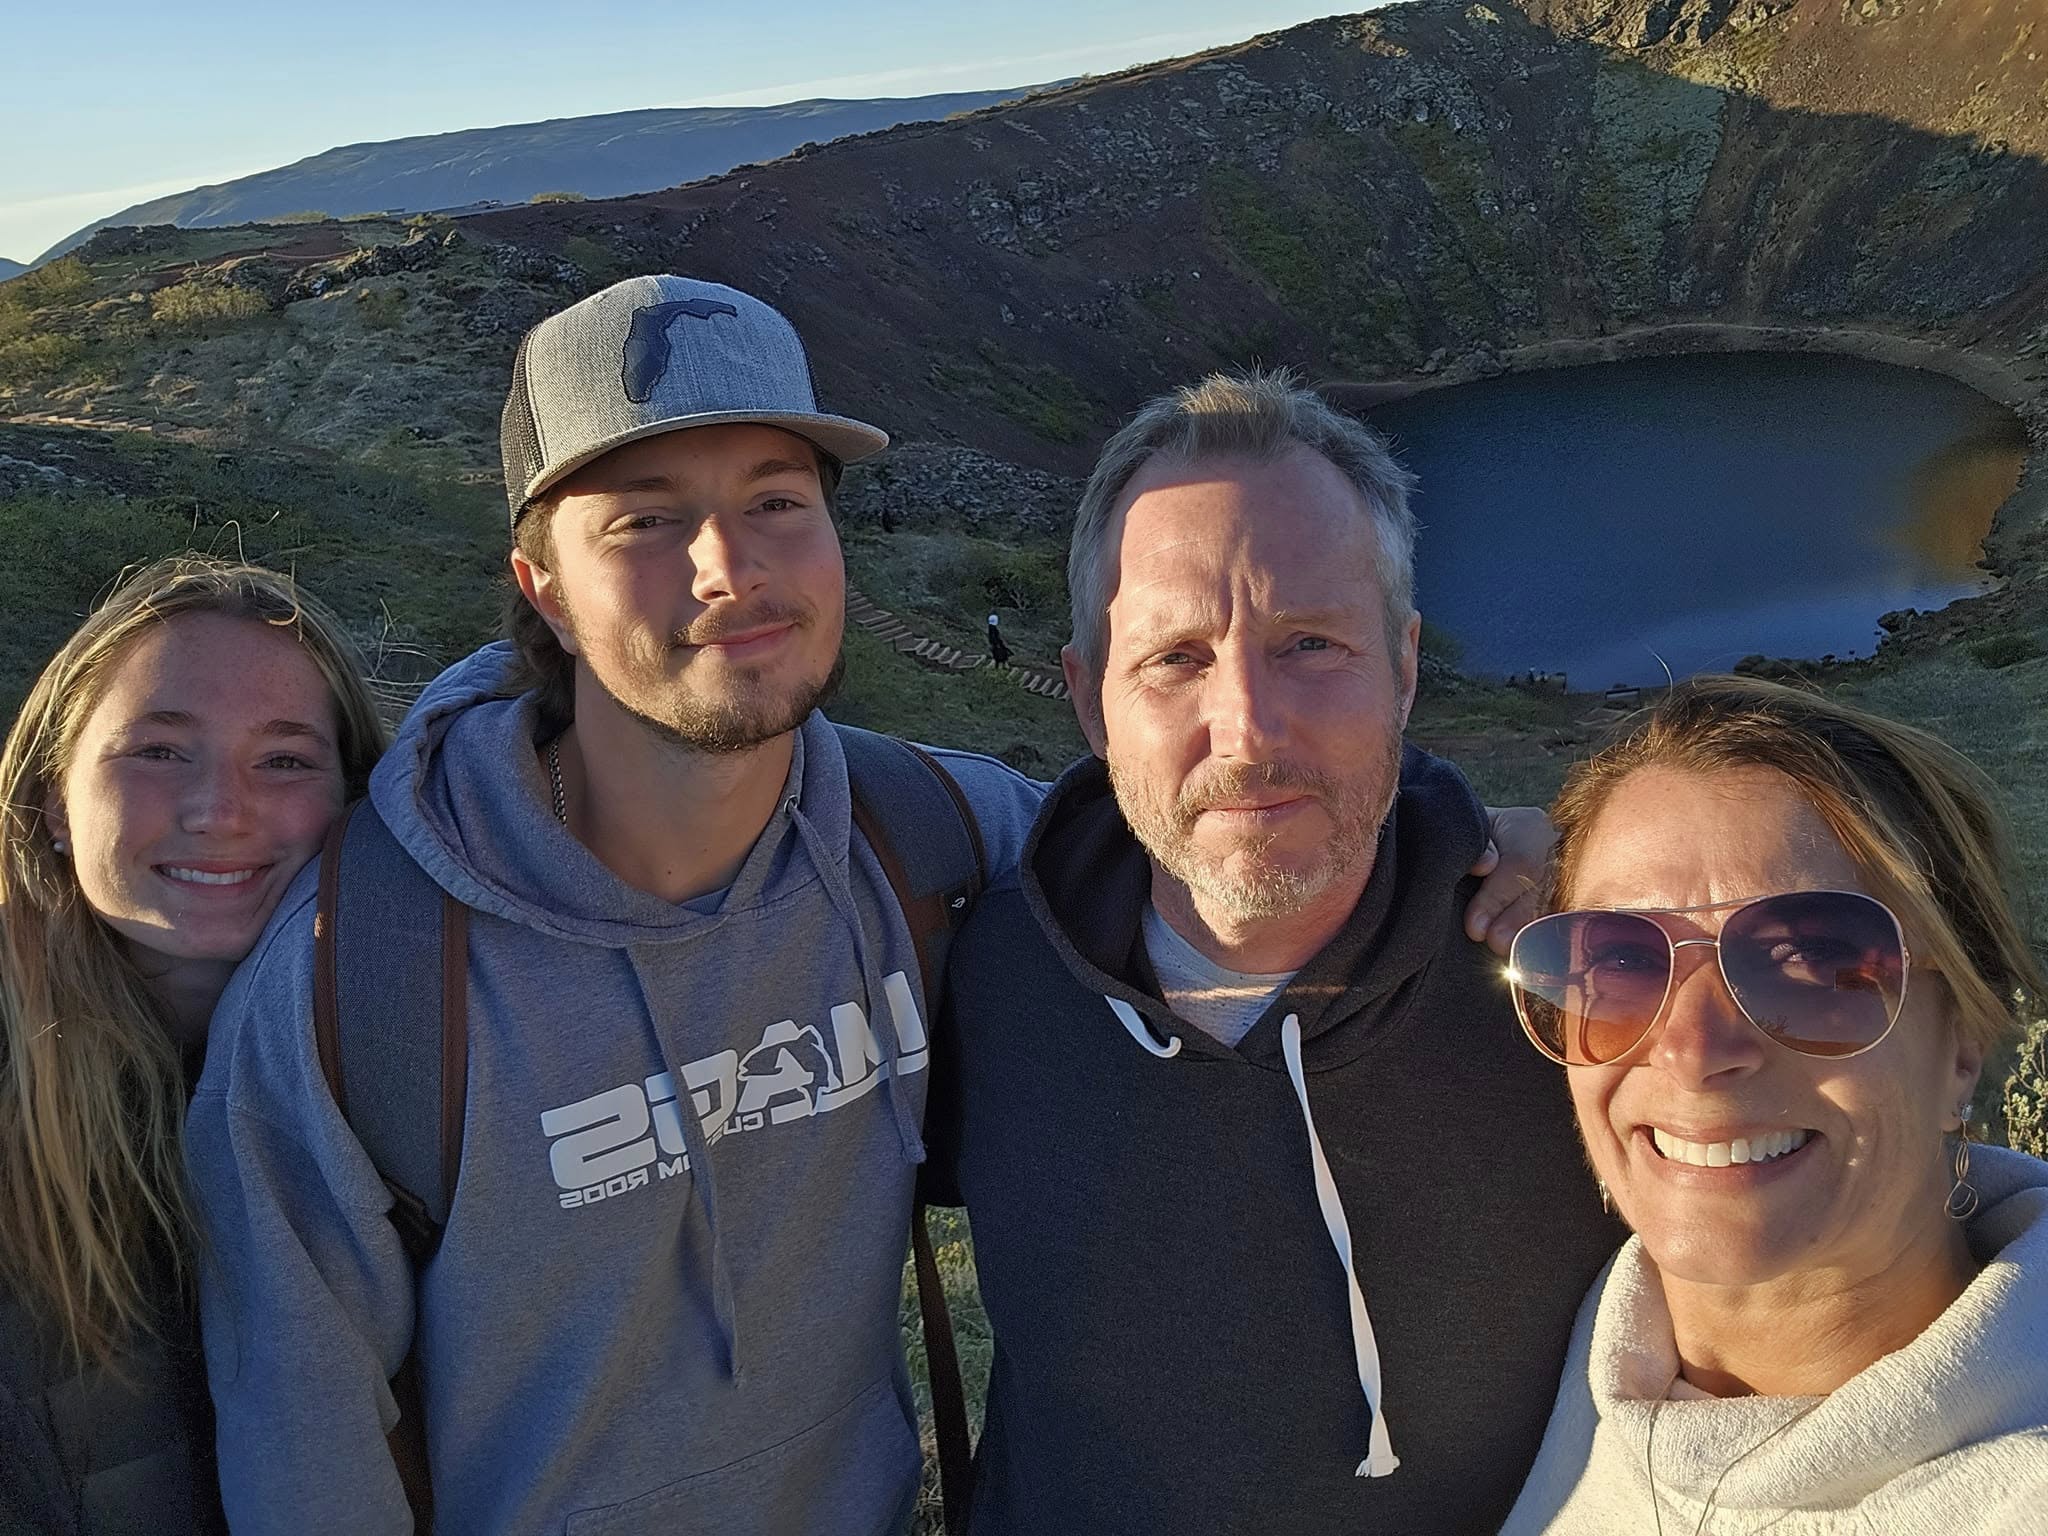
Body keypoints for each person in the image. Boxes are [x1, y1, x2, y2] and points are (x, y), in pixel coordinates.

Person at [185, 279, 1547, 1535]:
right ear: (541, 587)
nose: (729, 565)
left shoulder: (932, 843)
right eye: (645, 519)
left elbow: (1209, 819)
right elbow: (303, 1458)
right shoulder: (354, 985)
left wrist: (1545, 847)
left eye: (778, 499)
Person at [924, 370, 1621, 1534]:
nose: (1247, 725)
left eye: (1308, 643)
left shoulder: (1565, 980)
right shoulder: (987, 980)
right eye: (1175, 658)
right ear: (1091, 697)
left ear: (1402, 667)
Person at [1501, 677, 2048, 1534]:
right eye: (1617, 963)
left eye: (1813, 963)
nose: (1693, 1050)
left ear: (1964, 1046)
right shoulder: (1564, 1354)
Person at [0, 555, 386, 1533]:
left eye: (287, 759)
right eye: (160, 752)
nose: (220, 810)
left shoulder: (423, 1082)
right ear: (54, 800)